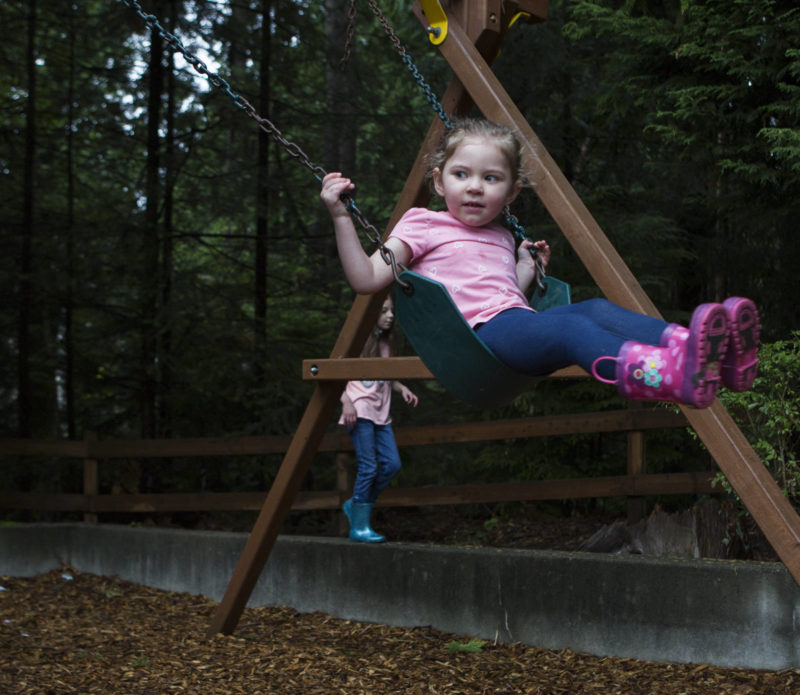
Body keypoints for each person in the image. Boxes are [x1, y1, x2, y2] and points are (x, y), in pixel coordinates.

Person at [320, 117, 760, 408]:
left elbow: (506, 293)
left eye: (491, 178)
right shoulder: (421, 224)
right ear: (439, 181)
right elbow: (367, 278)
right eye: (461, 175)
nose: (475, 187)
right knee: (571, 329)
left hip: (514, 324)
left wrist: (527, 268)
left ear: (511, 192)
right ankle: (665, 375)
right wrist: (342, 217)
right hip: (479, 341)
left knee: (594, 309)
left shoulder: (500, 233)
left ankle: (709, 357)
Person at [339, 295, 419, 543]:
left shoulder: (388, 343)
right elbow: (334, 374)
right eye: (384, 311)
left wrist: (401, 387)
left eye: (391, 311)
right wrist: (346, 400)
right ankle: (359, 527)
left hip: (382, 414)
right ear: (371, 314)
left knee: (392, 464)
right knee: (369, 466)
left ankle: (355, 504)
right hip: (359, 410)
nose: (390, 315)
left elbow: (386, 377)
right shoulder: (356, 342)